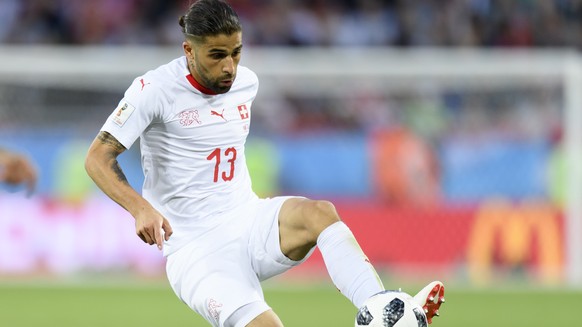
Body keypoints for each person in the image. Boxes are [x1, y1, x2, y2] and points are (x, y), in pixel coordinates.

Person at [84, 1, 445, 326]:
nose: (229, 67)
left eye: (237, 53)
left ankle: (382, 313)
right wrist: (140, 208)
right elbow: (97, 158)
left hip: (248, 220)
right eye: (217, 55)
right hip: (196, 250)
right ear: (188, 51)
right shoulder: (153, 90)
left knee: (319, 214)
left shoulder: (247, 84)